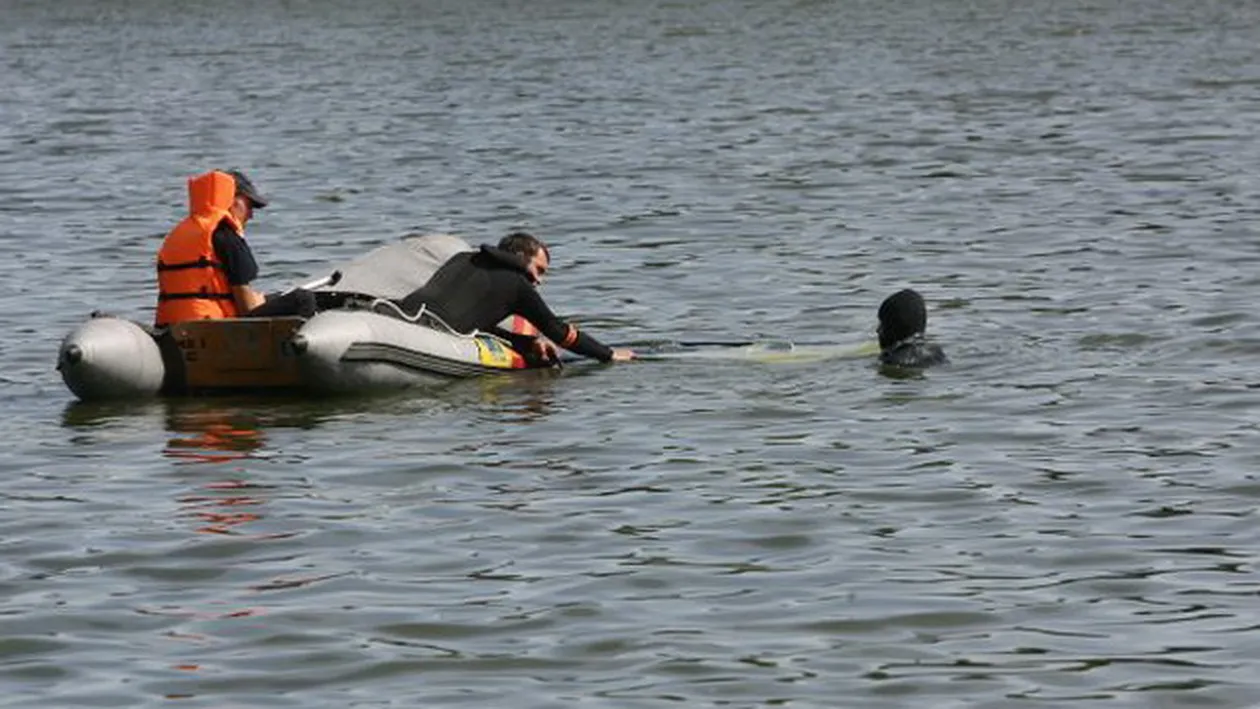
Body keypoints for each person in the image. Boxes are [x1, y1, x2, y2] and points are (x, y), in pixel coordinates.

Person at [389, 231, 634, 364]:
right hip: (429, 340)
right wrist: (608, 354)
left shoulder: (463, 258)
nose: (539, 281)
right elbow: (559, 333)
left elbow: (474, 321)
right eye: (539, 270)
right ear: (519, 256)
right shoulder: (518, 286)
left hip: (400, 318)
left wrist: (523, 343)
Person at [154, 169, 313, 327]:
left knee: (276, 298)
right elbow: (247, 308)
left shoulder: (179, 233)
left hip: (174, 328)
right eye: (250, 205)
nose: (251, 215)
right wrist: (258, 300)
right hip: (213, 328)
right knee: (303, 299)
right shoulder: (227, 236)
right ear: (232, 200)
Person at [877, 288, 947, 368]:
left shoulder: (891, 360)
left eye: (882, 324)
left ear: (895, 327)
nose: (877, 330)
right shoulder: (936, 352)